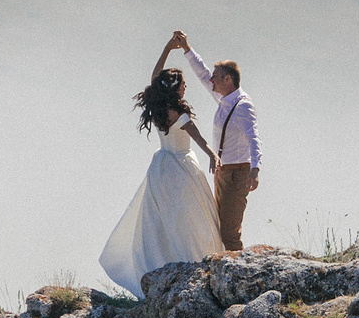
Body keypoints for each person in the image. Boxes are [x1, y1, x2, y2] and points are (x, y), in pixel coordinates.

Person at [98, 40, 223, 295]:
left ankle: (165, 266)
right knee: (192, 219)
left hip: (161, 167)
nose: (186, 87)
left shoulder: (157, 107)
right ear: (177, 89)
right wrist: (213, 155)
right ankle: (196, 266)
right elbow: (198, 138)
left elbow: (155, 78)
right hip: (182, 167)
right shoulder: (180, 113)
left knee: (163, 221)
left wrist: (167, 48)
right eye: (184, 85)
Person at [169, 29, 260, 252]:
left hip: (238, 172)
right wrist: (187, 49)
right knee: (219, 227)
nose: (211, 80)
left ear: (228, 80)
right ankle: (230, 268)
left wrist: (255, 169)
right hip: (222, 171)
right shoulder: (223, 98)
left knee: (229, 231)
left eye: (216, 77)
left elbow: (254, 138)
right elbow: (202, 73)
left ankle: (239, 273)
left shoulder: (243, 105)